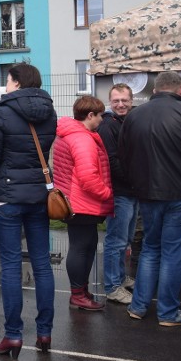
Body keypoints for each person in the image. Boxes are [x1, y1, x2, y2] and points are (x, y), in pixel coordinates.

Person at [119, 71, 181, 326]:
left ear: (154, 90)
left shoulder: (134, 116)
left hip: (149, 195)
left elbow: (124, 157)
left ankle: (139, 306)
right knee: (174, 254)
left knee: (151, 250)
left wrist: (138, 185)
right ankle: (168, 312)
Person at [0, 63, 57, 358]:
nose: (5, 85)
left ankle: (14, 335)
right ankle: (44, 332)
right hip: (37, 196)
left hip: (8, 197)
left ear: (16, 82)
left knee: (10, 267)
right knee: (42, 265)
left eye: (7, 80)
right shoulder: (50, 112)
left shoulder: (2, 113)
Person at [53, 95, 114, 311]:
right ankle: (78, 294)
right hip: (81, 203)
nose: (102, 120)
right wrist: (107, 193)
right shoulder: (82, 139)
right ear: (90, 115)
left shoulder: (69, 134)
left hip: (73, 201)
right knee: (82, 248)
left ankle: (81, 291)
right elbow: (88, 177)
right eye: (99, 115)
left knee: (84, 246)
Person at [98, 83, 138, 305]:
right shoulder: (108, 126)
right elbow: (112, 162)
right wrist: (137, 179)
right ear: (110, 102)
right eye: (116, 101)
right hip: (119, 192)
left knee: (127, 239)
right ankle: (112, 286)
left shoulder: (129, 121)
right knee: (116, 241)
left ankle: (121, 277)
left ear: (131, 101)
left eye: (124, 100)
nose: (121, 104)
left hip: (132, 191)